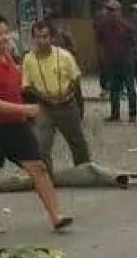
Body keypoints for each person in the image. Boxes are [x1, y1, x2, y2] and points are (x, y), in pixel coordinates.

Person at [0, 14, 73, 233]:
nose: (3, 38)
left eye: (6, 33)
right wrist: (24, 109)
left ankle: (57, 216)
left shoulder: (10, 58)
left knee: (38, 167)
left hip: (16, 126)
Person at [22, 20, 91, 169]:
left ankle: (85, 171)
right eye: (37, 37)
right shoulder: (29, 59)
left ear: (52, 38)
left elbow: (75, 78)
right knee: (41, 144)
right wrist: (43, 97)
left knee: (77, 141)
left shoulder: (64, 55)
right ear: (32, 39)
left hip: (67, 105)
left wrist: (67, 95)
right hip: (44, 106)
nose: (41, 41)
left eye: (44, 37)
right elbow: (27, 85)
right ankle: (46, 177)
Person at [96, 0, 137, 121]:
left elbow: (134, 41)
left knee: (130, 88)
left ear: (119, 11)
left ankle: (132, 114)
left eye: (112, 10)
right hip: (111, 60)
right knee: (114, 88)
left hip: (126, 60)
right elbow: (99, 41)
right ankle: (115, 114)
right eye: (108, 10)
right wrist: (101, 57)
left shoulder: (126, 25)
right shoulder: (103, 26)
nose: (109, 12)